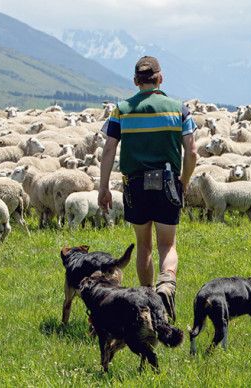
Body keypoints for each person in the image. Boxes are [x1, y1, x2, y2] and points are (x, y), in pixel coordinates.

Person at [98, 56, 198, 322]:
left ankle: (146, 303)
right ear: (160, 79)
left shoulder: (121, 109)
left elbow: (109, 149)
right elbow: (192, 151)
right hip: (167, 182)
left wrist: (104, 187)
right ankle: (166, 284)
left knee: (144, 245)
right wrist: (184, 181)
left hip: (135, 184)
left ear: (135, 81)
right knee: (168, 244)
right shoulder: (179, 109)